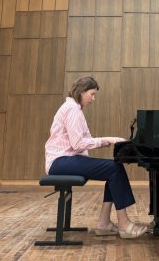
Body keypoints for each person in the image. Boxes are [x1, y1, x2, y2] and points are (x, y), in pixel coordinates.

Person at [45, 76, 147, 239]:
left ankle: (104, 223)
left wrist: (105, 141)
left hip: (65, 160)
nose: (93, 99)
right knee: (114, 168)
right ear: (81, 92)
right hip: (61, 161)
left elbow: (83, 141)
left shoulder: (73, 108)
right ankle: (124, 224)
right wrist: (108, 140)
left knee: (113, 168)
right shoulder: (72, 109)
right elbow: (78, 144)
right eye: (92, 94)